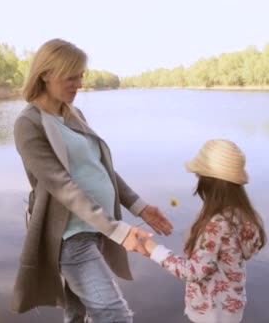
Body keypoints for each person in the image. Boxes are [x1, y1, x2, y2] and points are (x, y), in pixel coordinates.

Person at [11, 38, 174, 323]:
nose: (79, 83)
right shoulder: (29, 124)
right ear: (46, 74)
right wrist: (120, 232)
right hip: (70, 236)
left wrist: (139, 207)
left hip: (97, 228)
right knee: (113, 313)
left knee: (78, 312)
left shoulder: (73, 113)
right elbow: (62, 186)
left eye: (81, 75)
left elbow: (101, 168)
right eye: (71, 76)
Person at [144, 139, 267, 323]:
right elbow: (251, 248)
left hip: (210, 313)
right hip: (233, 308)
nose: (198, 181)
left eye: (199, 176)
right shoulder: (245, 216)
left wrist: (153, 250)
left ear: (208, 181)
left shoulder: (216, 225)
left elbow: (193, 272)